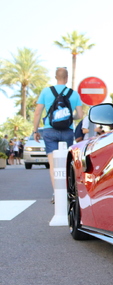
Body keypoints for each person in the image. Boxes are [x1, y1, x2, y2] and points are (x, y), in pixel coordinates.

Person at [32, 67, 83, 202]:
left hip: (50, 130)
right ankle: (68, 192)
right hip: (67, 131)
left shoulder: (46, 92)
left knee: (53, 163)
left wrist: (35, 130)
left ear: (55, 77)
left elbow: (37, 112)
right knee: (66, 162)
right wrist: (68, 116)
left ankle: (57, 194)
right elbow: (80, 115)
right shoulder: (74, 94)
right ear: (67, 78)